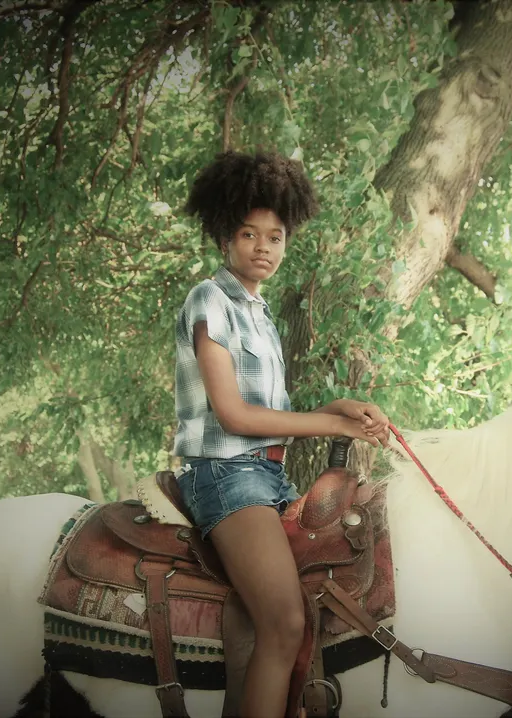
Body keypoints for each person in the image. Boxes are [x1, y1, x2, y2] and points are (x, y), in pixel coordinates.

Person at [174, 150, 390, 718]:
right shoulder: (210, 300)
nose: (263, 247)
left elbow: (276, 418)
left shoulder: (263, 316)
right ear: (225, 236)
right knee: (285, 621)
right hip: (225, 476)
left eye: (275, 236)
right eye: (249, 233)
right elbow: (236, 417)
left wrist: (337, 406)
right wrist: (333, 424)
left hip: (268, 476)